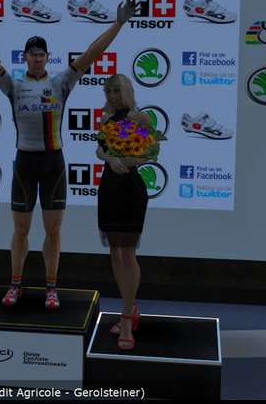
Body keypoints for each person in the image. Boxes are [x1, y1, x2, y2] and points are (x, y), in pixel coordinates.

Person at [0, 0, 141, 309]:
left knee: (54, 231)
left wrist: (119, 21)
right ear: (25, 57)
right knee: (20, 230)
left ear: (48, 57)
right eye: (33, 54)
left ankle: (51, 287)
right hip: (25, 163)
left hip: (53, 165)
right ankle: (15, 284)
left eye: (41, 54)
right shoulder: (13, 85)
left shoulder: (61, 82)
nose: (37, 59)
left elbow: (92, 52)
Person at [95, 74, 150, 350]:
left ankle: (127, 318)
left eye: (116, 91)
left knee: (128, 255)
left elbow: (149, 154)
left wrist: (124, 162)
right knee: (114, 254)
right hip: (108, 188)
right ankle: (131, 307)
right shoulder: (106, 119)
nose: (111, 96)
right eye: (108, 91)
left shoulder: (141, 118)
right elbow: (99, 150)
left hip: (130, 188)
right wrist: (110, 158)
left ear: (126, 91)